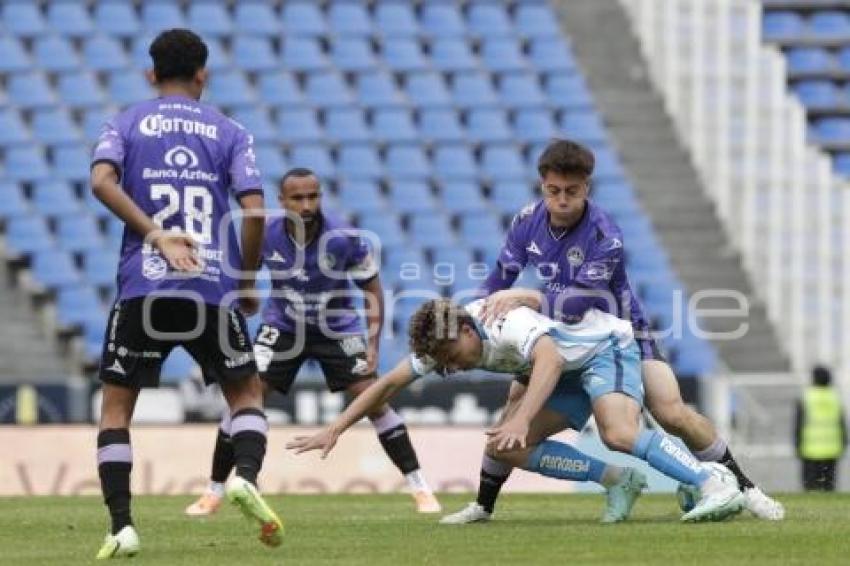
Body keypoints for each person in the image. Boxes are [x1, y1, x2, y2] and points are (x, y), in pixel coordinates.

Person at [441, 139, 784, 524]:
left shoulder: (604, 235)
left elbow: (574, 305)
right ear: (542, 187)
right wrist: (476, 315)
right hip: (564, 339)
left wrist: (525, 296)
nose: (562, 200)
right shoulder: (527, 221)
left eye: (572, 191)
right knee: (513, 409)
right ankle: (483, 506)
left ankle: (744, 488)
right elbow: (499, 278)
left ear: (587, 187)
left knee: (670, 413)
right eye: (554, 191)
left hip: (620, 335)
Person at [287, 298, 746, 524]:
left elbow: (549, 359)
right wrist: (336, 428)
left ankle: (713, 481)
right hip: (567, 375)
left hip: (605, 351)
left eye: (453, 356)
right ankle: (618, 481)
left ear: (468, 329)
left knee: (618, 433)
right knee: (505, 447)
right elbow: (387, 383)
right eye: (443, 362)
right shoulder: (444, 341)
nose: (451, 367)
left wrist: (523, 416)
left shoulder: (506, 322)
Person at [90, 29, 282, 559]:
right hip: (210, 285)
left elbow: (101, 181)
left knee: (116, 411)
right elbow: (255, 211)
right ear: (203, 74)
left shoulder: (125, 122)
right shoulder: (230, 131)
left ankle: (122, 527)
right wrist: (245, 281)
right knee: (246, 396)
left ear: (151, 74)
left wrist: (155, 236)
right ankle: (244, 478)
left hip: (143, 285)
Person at [184, 169, 440, 516]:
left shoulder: (345, 237)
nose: (306, 205)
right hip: (283, 326)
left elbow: (372, 289)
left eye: (313, 196)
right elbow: (242, 279)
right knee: (245, 399)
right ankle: (214, 491)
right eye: (297, 198)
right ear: (282, 201)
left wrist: (373, 344)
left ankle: (420, 488)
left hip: (337, 328)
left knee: (372, 398)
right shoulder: (265, 234)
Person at [795, 366, 847, 491]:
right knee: (829, 486)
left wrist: (797, 444)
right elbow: (842, 423)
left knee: (810, 486)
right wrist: (844, 442)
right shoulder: (835, 397)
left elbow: (798, 424)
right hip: (832, 449)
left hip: (810, 449)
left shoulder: (806, 397)